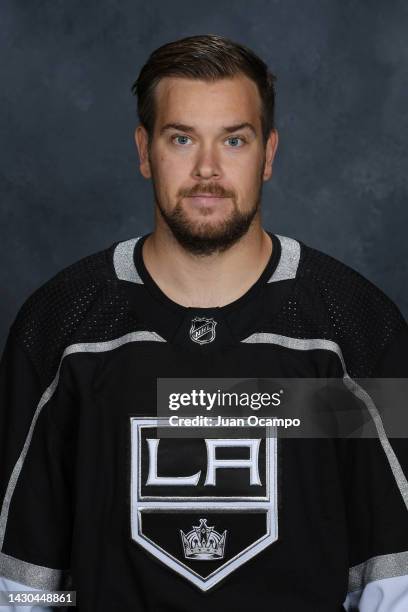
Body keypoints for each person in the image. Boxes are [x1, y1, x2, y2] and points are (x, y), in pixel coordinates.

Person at [0, 33, 407, 612]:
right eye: (182, 138)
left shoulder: (358, 329)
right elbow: (25, 589)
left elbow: (393, 582)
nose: (208, 169)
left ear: (268, 153)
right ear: (145, 151)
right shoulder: (60, 328)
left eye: (234, 140)